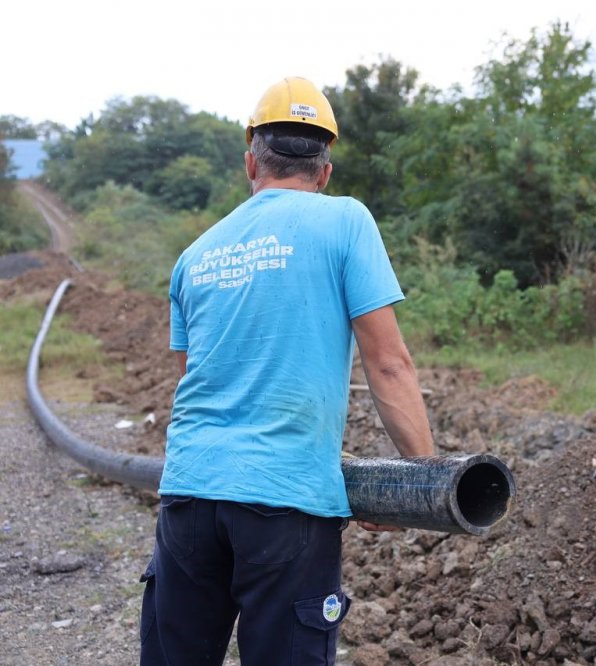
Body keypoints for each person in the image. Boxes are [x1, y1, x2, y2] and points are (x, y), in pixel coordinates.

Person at [139, 76, 435, 665]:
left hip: (189, 498)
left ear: (251, 161)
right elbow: (388, 362)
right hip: (287, 502)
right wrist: (419, 484)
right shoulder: (345, 221)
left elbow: (193, 378)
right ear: (324, 172)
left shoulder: (194, 256)